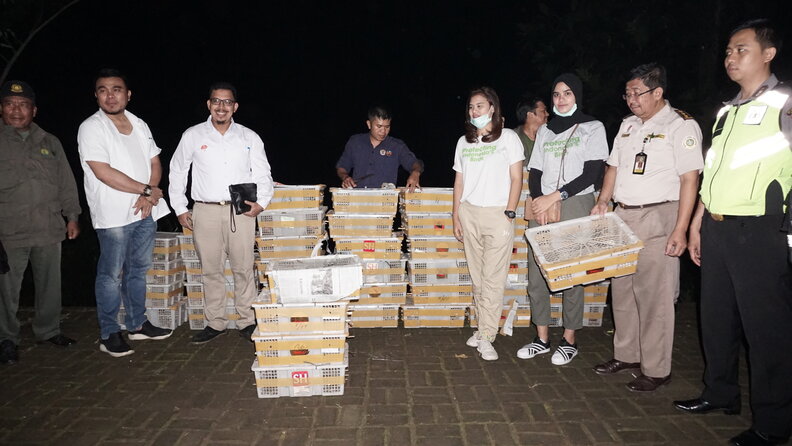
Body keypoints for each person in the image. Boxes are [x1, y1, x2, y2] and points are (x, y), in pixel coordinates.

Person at [672, 19, 792, 446]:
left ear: (768, 53)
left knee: (766, 330)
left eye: (741, 49)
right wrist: (699, 222)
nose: (730, 58)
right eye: (727, 51)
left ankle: (774, 423)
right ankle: (720, 393)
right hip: (719, 228)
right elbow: (714, 173)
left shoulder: (785, 102)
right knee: (716, 319)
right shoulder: (727, 111)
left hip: (762, 229)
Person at [590, 63, 703, 392]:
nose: (630, 99)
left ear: (658, 92)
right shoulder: (627, 126)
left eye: (636, 93)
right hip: (623, 216)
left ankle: (656, 369)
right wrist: (603, 200)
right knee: (622, 289)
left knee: (655, 296)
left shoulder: (680, 125)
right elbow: (612, 167)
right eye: (626, 94)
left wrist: (680, 229)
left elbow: (689, 179)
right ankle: (627, 354)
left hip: (659, 216)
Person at [78, 69, 173, 358]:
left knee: (137, 271)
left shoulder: (139, 123)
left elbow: (154, 161)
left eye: (116, 89)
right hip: (114, 215)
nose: (110, 95)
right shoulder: (91, 127)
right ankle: (109, 333)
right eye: (103, 90)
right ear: (96, 95)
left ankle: (137, 324)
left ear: (127, 94)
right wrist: (146, 191)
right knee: (110, 274)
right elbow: (103, 172)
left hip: (144, 211)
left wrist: (150, 192)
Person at [169, 81, 274, 344]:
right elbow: (178, 170)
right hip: (205, 210)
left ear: (235, 107)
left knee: (243, 268)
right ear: (208, 104)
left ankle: (247, 321)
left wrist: (261, 203)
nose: (221, 107)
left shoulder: (249, 137)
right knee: (211, 270)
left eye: (227, 102)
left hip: (240, 211)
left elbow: (263, 173)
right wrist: (180, 208)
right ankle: (214, 322)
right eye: (216, 101)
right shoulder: (193, 135)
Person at [518, 73, 609, 366]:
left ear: (577, 96)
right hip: (542, 203)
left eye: (567, 94)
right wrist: (537, 201)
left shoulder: (592, 127)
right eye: (556, 94)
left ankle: (569, 338)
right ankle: (541, 337)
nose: (561, 99)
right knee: (538, 270)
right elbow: (535, 171)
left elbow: (593, 172)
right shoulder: (545, 131)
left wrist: (556, 196)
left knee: (570, 271)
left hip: (575, 201)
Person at [0, 80, 81, 365]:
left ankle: (48, 330)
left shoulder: (49, 141)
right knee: (6, 290)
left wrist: (72, 216)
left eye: (23, 105)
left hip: (48, 227)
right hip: (8, 230)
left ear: (34, 110)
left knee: (50, 285)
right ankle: (6, 339)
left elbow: (66, 182)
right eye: (10, 104)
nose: (16, 110)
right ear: (1, 108)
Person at [453, 86, 524, 361]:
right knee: (478, 278)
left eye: (480, 106)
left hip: (497, 215)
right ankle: (482, 327)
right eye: (471, 107)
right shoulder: (464, 142)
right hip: (469, 213)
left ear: (492, 108)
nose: (474, 111)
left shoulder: (508, 138)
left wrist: (509, 212)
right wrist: (455, 215)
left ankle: (487, 336)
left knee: (493, 279)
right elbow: (459, 181)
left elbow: (516, 178)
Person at [336, 106, 423, 191]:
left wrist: (415, 173)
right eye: (379, 126)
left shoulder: (397, 146)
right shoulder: (355, 142)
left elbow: (416, 164)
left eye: (387, 127)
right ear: (369, 124)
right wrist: (345, 177)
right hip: (358, 199)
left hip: (385, 200)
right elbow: (342, 167)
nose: (383, 131)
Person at [513, 95, 549, 162]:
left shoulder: (550, 136)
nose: (547, 114)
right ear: (530, 115)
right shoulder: (513, 138)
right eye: (543, 111)